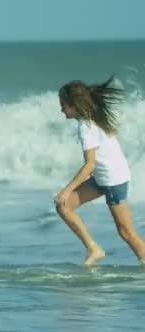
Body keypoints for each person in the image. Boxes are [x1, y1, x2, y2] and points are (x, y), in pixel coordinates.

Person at [55, 77, 145, 266]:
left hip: (113, 180)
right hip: (103, 178)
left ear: (74, 105)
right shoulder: (92, 118)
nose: (61, 109)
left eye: (63, 105)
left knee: (126, 232)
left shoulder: (86, 128)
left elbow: (90, 165)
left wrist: (68, 188)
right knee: (63, 206)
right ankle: (94, 249)